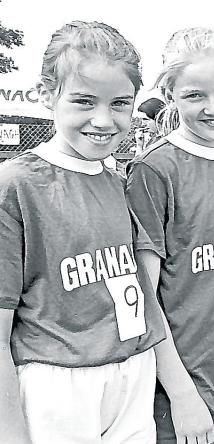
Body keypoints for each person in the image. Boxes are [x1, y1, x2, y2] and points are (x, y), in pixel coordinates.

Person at [0, 21, 165, 444]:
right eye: (84, 101)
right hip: (59, 384)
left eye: (120, 103)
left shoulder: (119, 181)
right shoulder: (16, 186)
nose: (103, 120)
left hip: (132, 374)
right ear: (46, 94)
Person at [125, 27, 214, 444]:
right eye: (195, 95)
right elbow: (143, 299)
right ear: (170, 95)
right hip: (180, 394)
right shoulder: (154, 170)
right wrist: (182, 395)